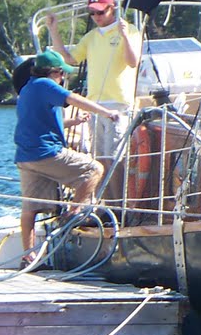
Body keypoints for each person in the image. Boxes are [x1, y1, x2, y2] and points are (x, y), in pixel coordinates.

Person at [15, 48, 126, 264]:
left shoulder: (28, 89)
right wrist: (106, 113)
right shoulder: (45, 85)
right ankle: (73, 214)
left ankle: (28, 257)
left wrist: (72, 123)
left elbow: (38, 122)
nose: (64, 78)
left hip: (25, 157)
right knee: (94, 170)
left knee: (31, 208)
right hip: (46, 153)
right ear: (53, 73)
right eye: (61, 73)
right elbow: (74, 99)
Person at [46, 0, 142, 168]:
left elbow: (132, 62)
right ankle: (103, 196)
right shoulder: (91, 37)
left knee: (115, 158)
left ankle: (117, 196)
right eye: (92, 13)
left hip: (118, 104)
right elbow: (69, 59)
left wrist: (124, 37)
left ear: (111, 8)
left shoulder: (130, 30)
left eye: (101, 11)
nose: (96, 16)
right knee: (99, 158)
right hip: (95, 105)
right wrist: (53, 31)